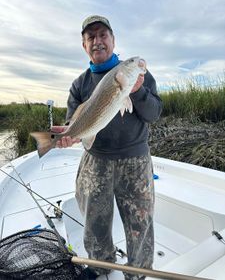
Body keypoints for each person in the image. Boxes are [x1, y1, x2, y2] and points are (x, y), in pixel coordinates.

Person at [52, 15, 162, 280]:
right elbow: (73, 121)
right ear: (84, 45)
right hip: (95, 159)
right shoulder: (79, 84)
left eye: (103, 35)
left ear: (113, 40)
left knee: (140, 224)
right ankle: (101, 265)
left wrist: (136, 91)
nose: (97, 41)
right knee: (94, 222)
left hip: (135, 160)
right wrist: (68, 134)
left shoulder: (139, 76)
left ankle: (137, 273)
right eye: (91, 37)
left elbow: (154, 113)